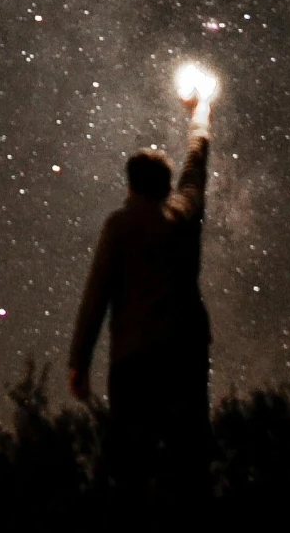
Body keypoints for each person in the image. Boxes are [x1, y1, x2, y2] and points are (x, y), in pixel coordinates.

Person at [68, 84, 212, 509]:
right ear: (166, 186)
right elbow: (198, 158)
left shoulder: (120, 225)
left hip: (134, 360)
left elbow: (96, 296)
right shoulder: (184, 211)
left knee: (132, 464)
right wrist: (201, 110)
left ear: (131, 186)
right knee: (189, 459)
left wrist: (79, 361)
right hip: (185, 355)